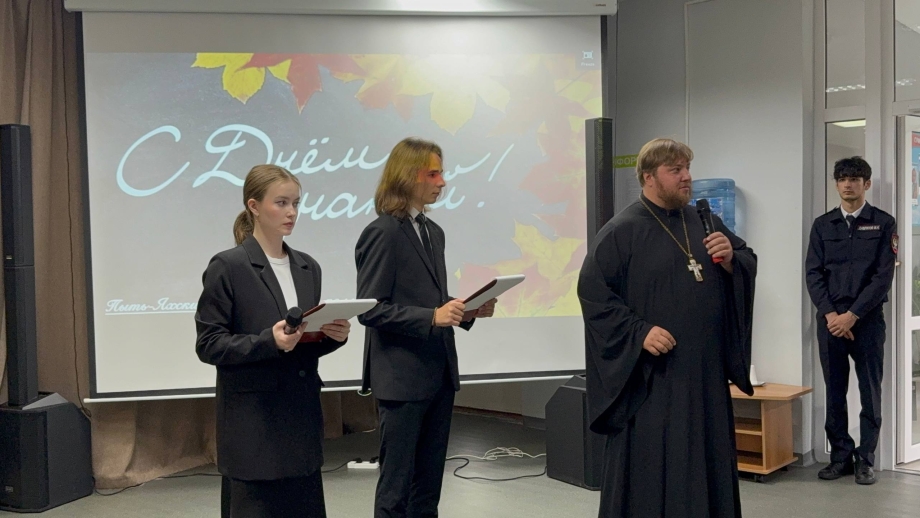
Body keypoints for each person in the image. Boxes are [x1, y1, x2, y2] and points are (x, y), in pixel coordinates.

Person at [577, 138, 757, 518]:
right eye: (675, 170)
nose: (687, 176)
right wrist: (638, 331)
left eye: (687, 168)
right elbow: (593, 293)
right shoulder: (621, 231)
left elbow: (745, 258)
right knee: (656, 464)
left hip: (705, 374)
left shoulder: (704, 221)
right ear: (649, 177)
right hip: (655, 378)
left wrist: (731, 260)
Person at [195, 164, 351, 517]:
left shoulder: (308, 267)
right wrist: (269, 341)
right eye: (281, 203)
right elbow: (209, 343)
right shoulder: (229, 266)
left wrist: (332, 337)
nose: (291, 212)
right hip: (254, 427)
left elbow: (300, 343)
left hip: (301, 422)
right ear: (253, 206)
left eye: (296, 203)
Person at [355, 137, 497, 518]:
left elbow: (428, 298)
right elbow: (370, 309)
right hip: (401, 380)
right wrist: (431, 317)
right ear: (408, 176)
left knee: (428, 490)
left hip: (438, 375)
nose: (442, 182)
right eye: (433, 174)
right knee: (395, 490)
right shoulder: (383, 232)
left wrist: (466, 311)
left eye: (441, 173)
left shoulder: (433, 232)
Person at [806, 156, 896, 485]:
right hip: (831, 321)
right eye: (843, 179)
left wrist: (853, 315)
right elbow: (813, 274)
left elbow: (882, 277)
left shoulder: (883, 223)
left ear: (866, 184)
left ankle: (865, 460)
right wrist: (833, 315)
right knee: (835, 391)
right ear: (836, 184)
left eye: (855, 179)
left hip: (867, 320)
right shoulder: (823, 225)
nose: (848, 184)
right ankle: (840, 456)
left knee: (870, 391)